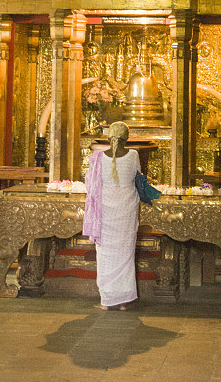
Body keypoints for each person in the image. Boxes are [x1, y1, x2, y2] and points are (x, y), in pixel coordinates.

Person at [82, 121, 141, 311]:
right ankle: (123, 301)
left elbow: (90, 183)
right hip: (126, 209)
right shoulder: (133, 155)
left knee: (105, 255)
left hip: (105, 210)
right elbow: (138, 179)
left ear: (108, 138)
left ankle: (106, 301)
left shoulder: (98, 158)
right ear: (127, 138)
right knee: (125, 254)